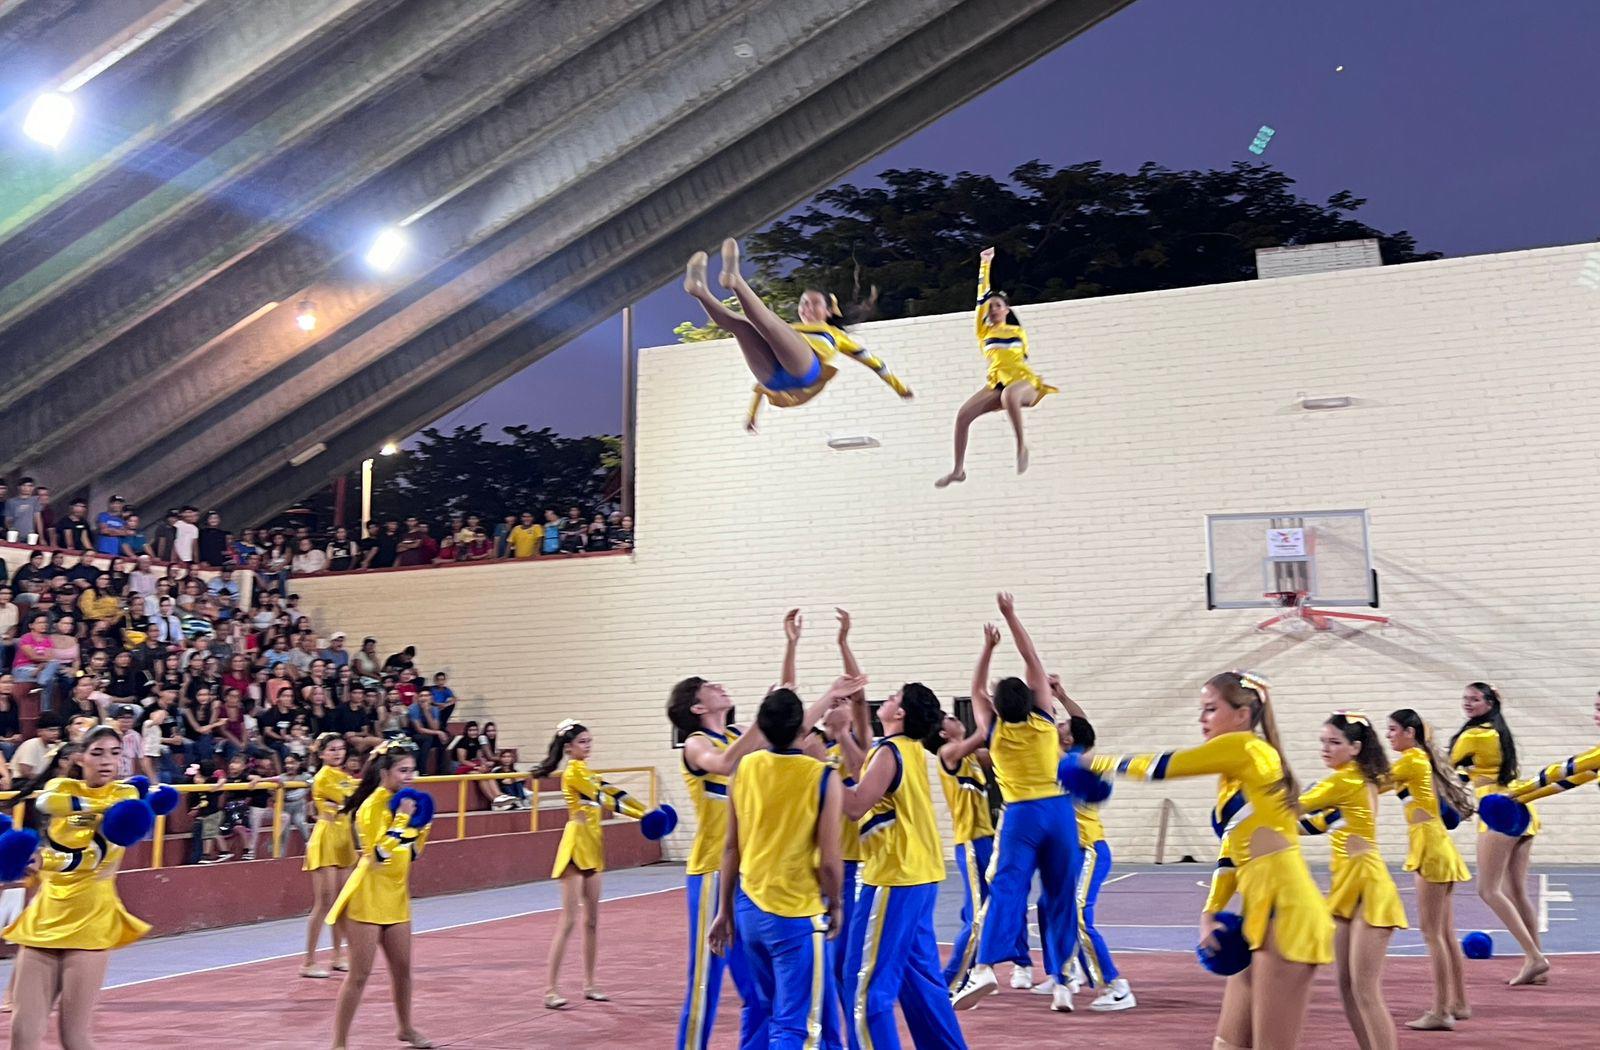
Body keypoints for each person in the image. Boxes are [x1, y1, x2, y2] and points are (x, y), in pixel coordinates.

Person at [1090, 670, 1333, 1050]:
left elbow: (1165, 766)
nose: (1202, 719)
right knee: (1228, 1044)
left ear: (1240, 714)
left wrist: (1095, 762)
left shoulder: (1245, 749)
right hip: (1258, 914)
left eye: (1210, 709)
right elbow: (1231, 853)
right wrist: (1211, 910)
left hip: (1288, 914)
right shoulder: (1233, 771)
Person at [955, 596, 1081, 1015]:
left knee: (1008, 889)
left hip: (1020, 815)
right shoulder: (1045, 718)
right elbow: (1031, 655)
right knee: (1061, 895)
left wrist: (987, 649)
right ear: (1030, 697)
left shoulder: (993, 730)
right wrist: (1011, 616)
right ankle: (1062, 981)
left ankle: (987, 965)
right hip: (1059, 814)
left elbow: (975, 689)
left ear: (997, 705)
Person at [833, 664, 967, 1049]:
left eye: (893, 697)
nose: (887, 699)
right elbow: (866, 772)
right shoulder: (902, 750)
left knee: (862, 984)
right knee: (922, 982)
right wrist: (842, 734)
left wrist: (817, 775)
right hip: (920, 875)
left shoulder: (891, 751)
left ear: (901, 713)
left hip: (894, 877)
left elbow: (857, 803)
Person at [708, 685, 848, 1050]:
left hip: (749, 908)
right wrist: (836, 903)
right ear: (803, 729)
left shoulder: (745, 769)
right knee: (796, 1025)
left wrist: (724, 910)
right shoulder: (822, 776)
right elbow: (831, 861)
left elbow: (730, 848)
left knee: (770, 1012)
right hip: (796, 911)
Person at [6, 727, 152, 1050]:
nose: (107, 761)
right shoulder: (62, 786)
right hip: (46, 913)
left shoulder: (125, 798)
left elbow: (90, 859)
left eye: (115, 753)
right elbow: (46, 801)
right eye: (98, 752)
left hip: (91, 916)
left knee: (73, 1037)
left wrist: (42, 861)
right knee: (22, 1032)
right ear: (79, 757)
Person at [683, 239, 912, 433]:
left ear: (830, 310)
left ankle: (735, 281)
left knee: (768, 324)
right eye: (804, 304)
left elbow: (874, 362)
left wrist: (899, 387)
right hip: (772, 379)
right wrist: (752, 415)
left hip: (804, 372)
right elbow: (758, 389)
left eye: (814, 304)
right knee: (742, 327)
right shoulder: (793, 329)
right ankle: (698, 290)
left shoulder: (835, 334)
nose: (807, 308)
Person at [668, 671, 766, 1050]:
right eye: (711, 687)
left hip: (746, 872)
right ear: (697, 707)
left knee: (759, 986)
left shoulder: (737, 734)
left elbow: (787, 728)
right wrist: (764, 719)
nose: (721, 686)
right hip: (711, 871)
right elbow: (724, 764)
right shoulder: (696, 744)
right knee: (705, 981)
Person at [1297, 713, 1407, 1050]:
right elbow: (1310, 825)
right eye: (1323, 742)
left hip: (1368, 886)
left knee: (1365, 990)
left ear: (1356, 747)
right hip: (1347, 887)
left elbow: (1290, 807)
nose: (1326, 749)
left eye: (1335, 742)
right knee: (1345, 986)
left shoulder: (1344, 781)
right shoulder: (1351, 781)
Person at [534, 719, 656, 1009]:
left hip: (593, 843)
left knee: (592, 921)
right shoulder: (574, 772)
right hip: (576, 844)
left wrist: (647, 811)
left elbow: (610, 791)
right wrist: (643, 815)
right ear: (568, 748)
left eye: (590, 741)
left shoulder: (586, 771)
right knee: (569, 920)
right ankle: (550, 989)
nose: (588, 746)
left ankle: (590, 984)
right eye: (583, 742)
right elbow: (604, 796)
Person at [326, 738, 435, 1050]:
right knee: (359, 975)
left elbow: (411, 853)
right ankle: (339, 1043)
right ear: (385, 772)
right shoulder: (372, 805)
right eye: (403, 771)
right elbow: (378, 854)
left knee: (403, 971)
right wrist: (403, 819)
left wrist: (422, 828)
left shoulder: (407, 802)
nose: (409, 777)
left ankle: (405, 1028)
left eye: (412, 770)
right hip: (367, 894)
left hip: (396, 895)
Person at [1449, 681, 1546, 986]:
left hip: (1497, 811)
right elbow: (1469, 770)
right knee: (1517, 891)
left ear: (1489, 702)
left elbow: (1444, 766)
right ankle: (1537, 963)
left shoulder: (1475, 734)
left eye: (1474, 699)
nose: (1468, 703)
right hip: (1521, 808)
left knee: (1488, 889)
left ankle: (1534, 957)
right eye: (1465, 698)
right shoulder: (1498, 732)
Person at [935, 247, 1058, 486]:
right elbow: (981, 296)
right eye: (990, 308)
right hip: (996, 385)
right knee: (962, 416)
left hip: (1025, 383)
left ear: (1007, 309)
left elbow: (1018, 360)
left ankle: (1021, 446)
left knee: (1010, 394)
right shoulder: (984, 332)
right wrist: (985, 264)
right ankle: (958, 470)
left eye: (998, 305)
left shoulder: (1017, 331)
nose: (993, 310)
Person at [1386, 709, 1474, 1031]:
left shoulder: (1411, 759)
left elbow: (1376, 781)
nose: (1388, 736)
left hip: (1430, 849)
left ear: (1410, 732)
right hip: (1437, 845)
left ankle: (1441, 1011)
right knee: (1445, 934)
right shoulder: (1420, 758)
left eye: (1393, 729)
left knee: (1431, 934)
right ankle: (1459, 1003)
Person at [301, 734, 358, 977]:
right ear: (322, 753)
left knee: (342, 902)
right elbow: (350, 798)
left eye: (341, 749)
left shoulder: (345, 777)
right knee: (324, 903)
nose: (337, 753)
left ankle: (338, 955)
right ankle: (309, 962)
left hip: (343, 839)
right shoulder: (323, 777)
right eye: (332, 749)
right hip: (326, 839)